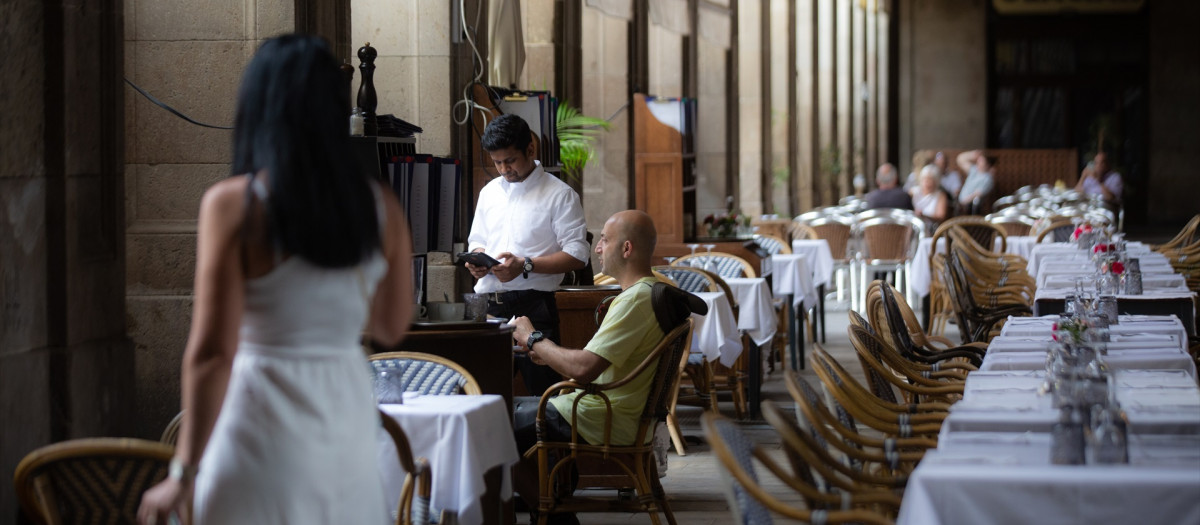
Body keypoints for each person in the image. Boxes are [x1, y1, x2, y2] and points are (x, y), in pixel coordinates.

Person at [137, 35, 414, 525]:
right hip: (345, 421)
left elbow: (211, 353)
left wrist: (181, 473)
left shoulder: (234, 205)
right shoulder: (380, 208)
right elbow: (391, 326)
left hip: (260, 415)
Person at [509, 210, 663, 525]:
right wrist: (548, 353)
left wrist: (533, 336)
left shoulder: (635, 300)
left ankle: (551, 516)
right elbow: (593, 362)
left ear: (626, 249)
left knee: (487, 425)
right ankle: (555, 514)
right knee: (497, 415)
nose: (597, 248)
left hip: (601, 415)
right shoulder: (646, 293)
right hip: (602, 408)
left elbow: (584, 369)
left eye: (605, 239)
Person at [465, 113, 589, 395]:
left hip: (535, 306)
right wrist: (478, 259)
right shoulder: (489, 193)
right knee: (481, 393)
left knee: (545, 397)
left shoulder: (560, 194)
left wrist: (525, 265)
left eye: (510, 160)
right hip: (490, 307)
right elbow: (478, 240)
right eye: (497, 162)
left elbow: (578, 254)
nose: (503, 169)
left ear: (530, 150)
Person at [910, 164, 949, 232]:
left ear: (936, 182)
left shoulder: (940, 195)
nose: (927, 183)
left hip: (931, 229)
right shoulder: (913, 192)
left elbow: (941, 216)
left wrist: (924, 216)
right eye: (925, 179)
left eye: (930, 180)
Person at [956, 149, 997, 214]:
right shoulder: (974, 170)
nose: (978, 161)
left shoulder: (988, 179)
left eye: (981, 160)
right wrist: (971, 154)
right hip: (961, 205)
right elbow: (960, 159)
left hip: (969, 209)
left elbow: (977, 194)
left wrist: (962, 203)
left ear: (987, 164)